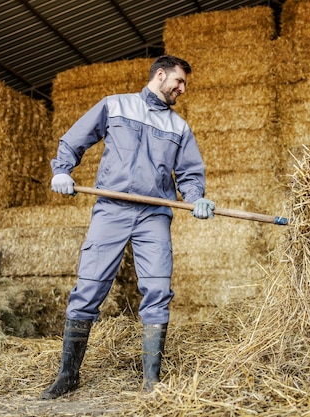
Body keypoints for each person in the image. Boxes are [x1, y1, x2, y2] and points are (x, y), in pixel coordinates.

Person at [40, 55, 215, 400]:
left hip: (155, 215)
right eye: (178, 82)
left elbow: (191, 174)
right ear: (160, 75)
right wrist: (62, 170)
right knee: (88, 289)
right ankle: (68, 375)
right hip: (112, 209)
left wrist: (196, 198)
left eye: (184, 85)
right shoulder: (114, 106)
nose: (182, 89)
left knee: (157, 291)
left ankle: (151, 381)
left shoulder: (179, 127)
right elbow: (75, 138)